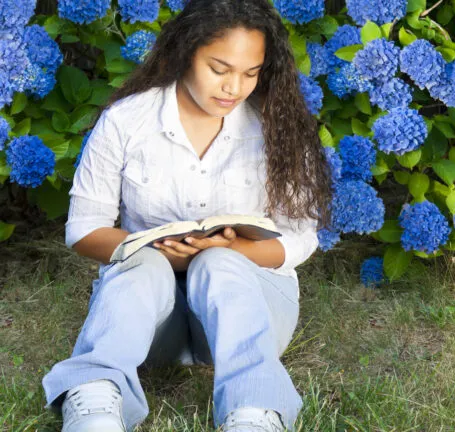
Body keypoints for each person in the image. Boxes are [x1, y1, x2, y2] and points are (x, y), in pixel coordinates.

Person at [41, 1, 333, 431]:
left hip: (249, 313)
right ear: (186, 52)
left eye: (250, 73)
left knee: (220, 262)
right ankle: (96, 398)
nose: (234, 87)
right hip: (149, 322)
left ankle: (254, 411)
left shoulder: (277, 126)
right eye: (220, 68)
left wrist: (238, 250)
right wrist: (158, 252)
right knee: (142, 263)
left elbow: (301, 238)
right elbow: (83, 230)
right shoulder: (126, 121)